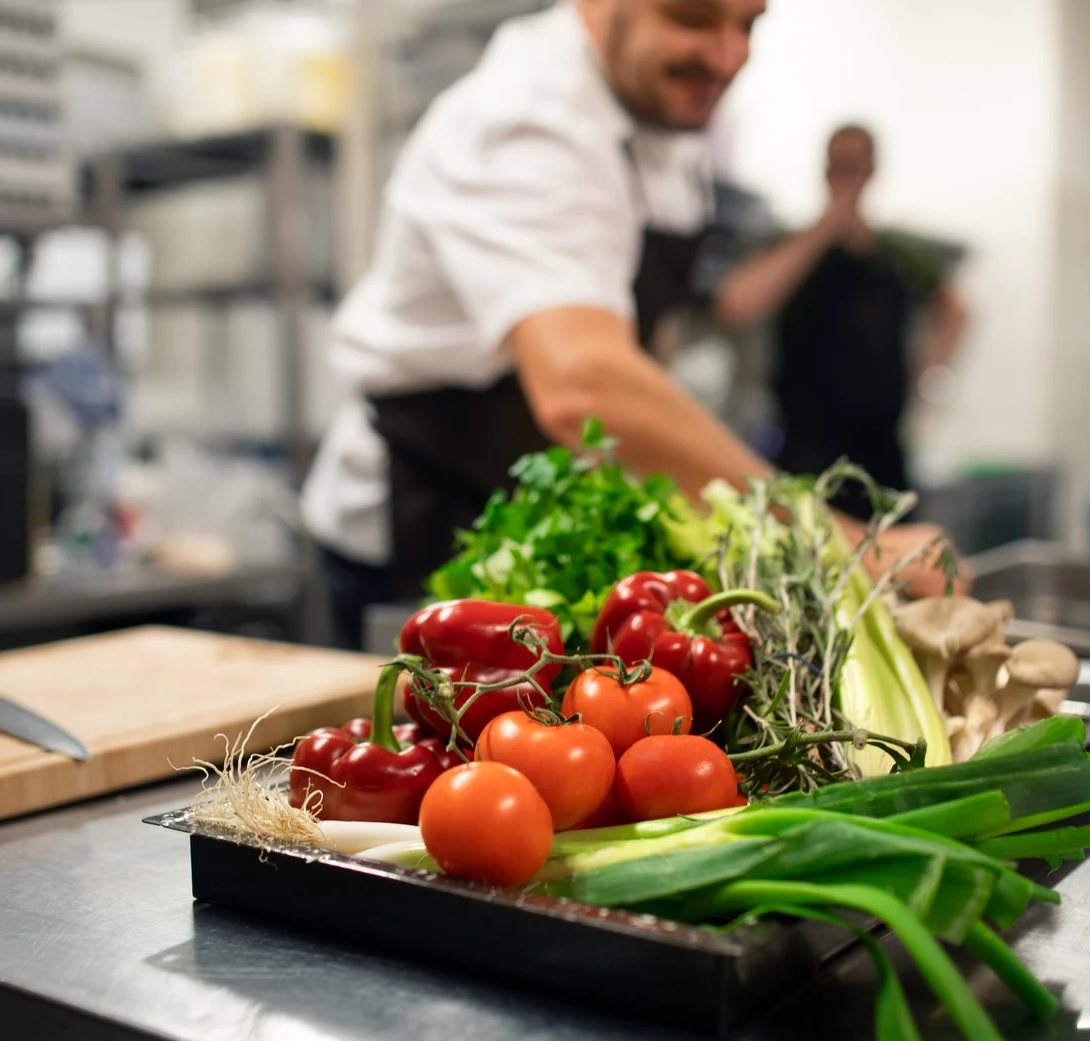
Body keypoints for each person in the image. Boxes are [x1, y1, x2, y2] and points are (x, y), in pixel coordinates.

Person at [302, 2, 956, 650]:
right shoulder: (526, 119)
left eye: (748, 24)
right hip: (420, 524)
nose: (730, 57)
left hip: (546, 522)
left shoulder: (661, 114)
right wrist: (840, 543)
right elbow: (585, 385)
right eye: (693, 17)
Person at [715, 124, 970, 517]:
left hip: (883, 455)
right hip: (805, 454)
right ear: (825, 169)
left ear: (872, 170)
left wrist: (926, 376)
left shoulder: (898, 255)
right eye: (839, 164)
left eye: (855, 164)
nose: (847, 175)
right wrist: (827, 225)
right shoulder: (790, 244)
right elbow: (736, 302)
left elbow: (955, 308)